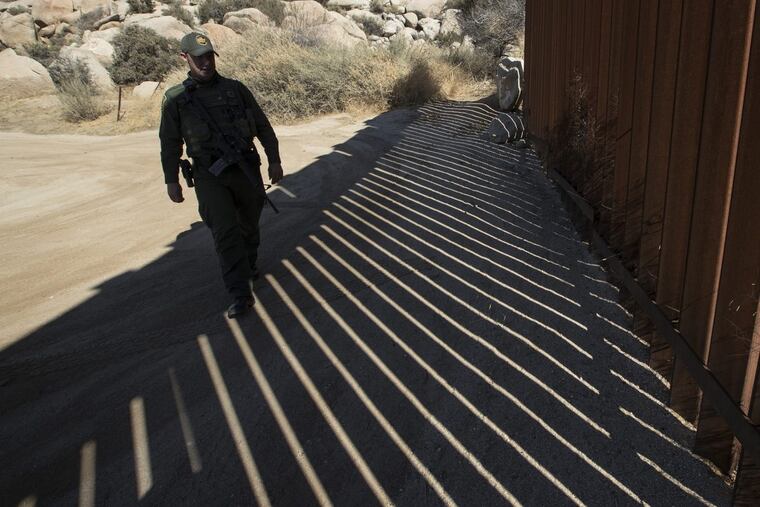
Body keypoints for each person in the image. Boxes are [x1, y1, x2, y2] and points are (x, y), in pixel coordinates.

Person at [159, 32, 283, 318]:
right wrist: (171, 179)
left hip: (245, 169)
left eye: (209, 57)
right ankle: (240, 293)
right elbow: (169, 143)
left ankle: (248, 264)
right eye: (198, 58)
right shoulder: (176, 100)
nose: (205, 63)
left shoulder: (235, 89)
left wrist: (273, 161)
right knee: (226, 232)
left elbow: (263, 127)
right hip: (209, 175)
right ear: (184, 58)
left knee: (249, 226)